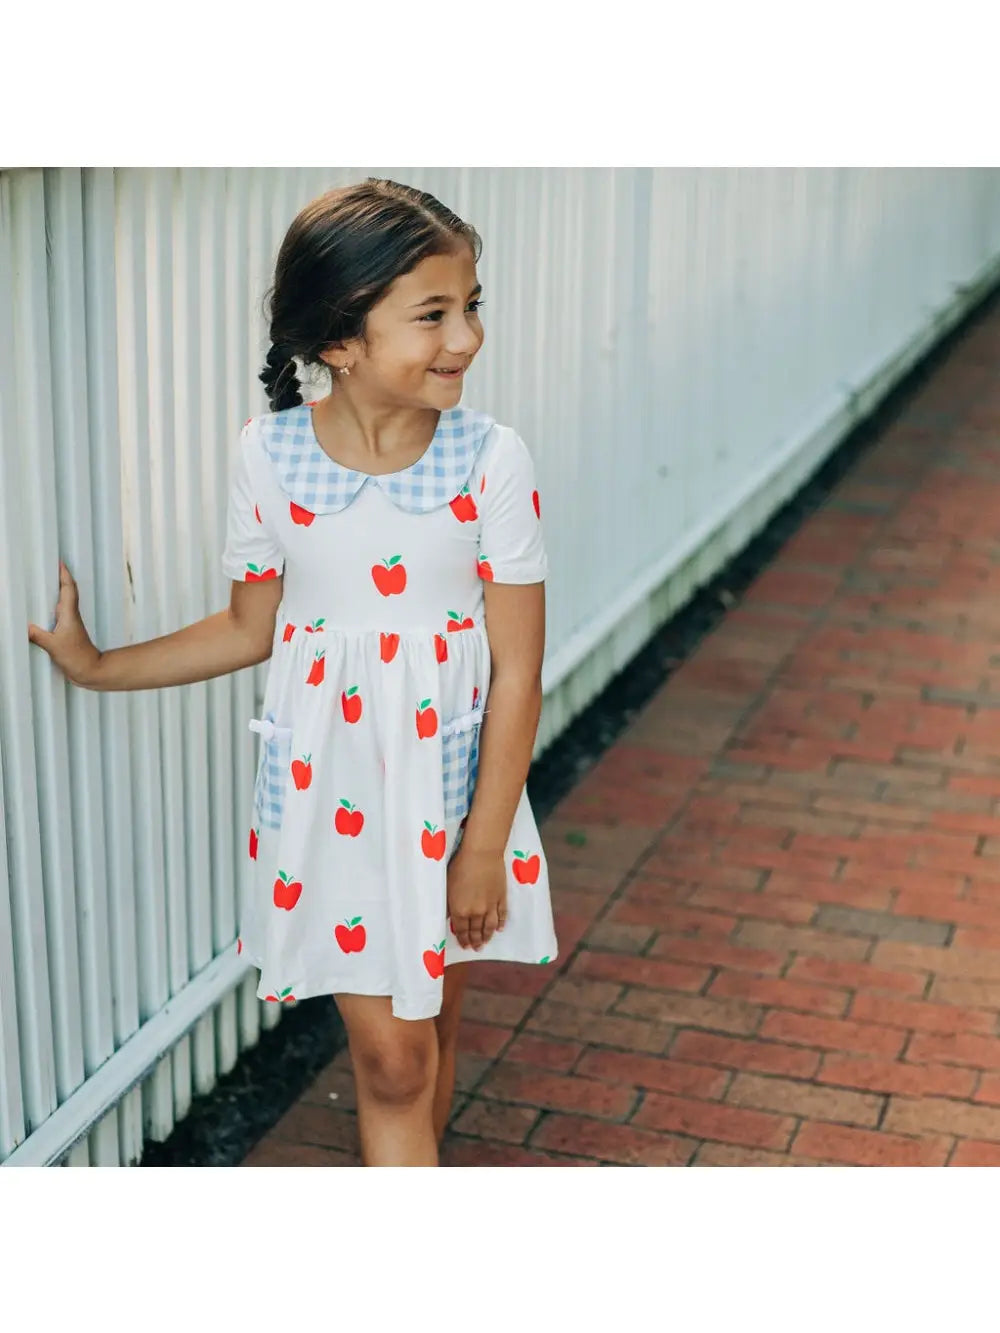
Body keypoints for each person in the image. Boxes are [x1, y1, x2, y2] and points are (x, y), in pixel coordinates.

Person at [28, 178, 557, 1167]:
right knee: (392, 1059)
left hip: (452, 795)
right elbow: (248, 627)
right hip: (333, 799)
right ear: (340, 340)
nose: (467, 336)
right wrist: (97, 667)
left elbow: (519, 669)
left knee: (432, 1016)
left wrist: (484, 840)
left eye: (471, 304)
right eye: (434, 313)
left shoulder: (492, 459)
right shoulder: (267, 456)